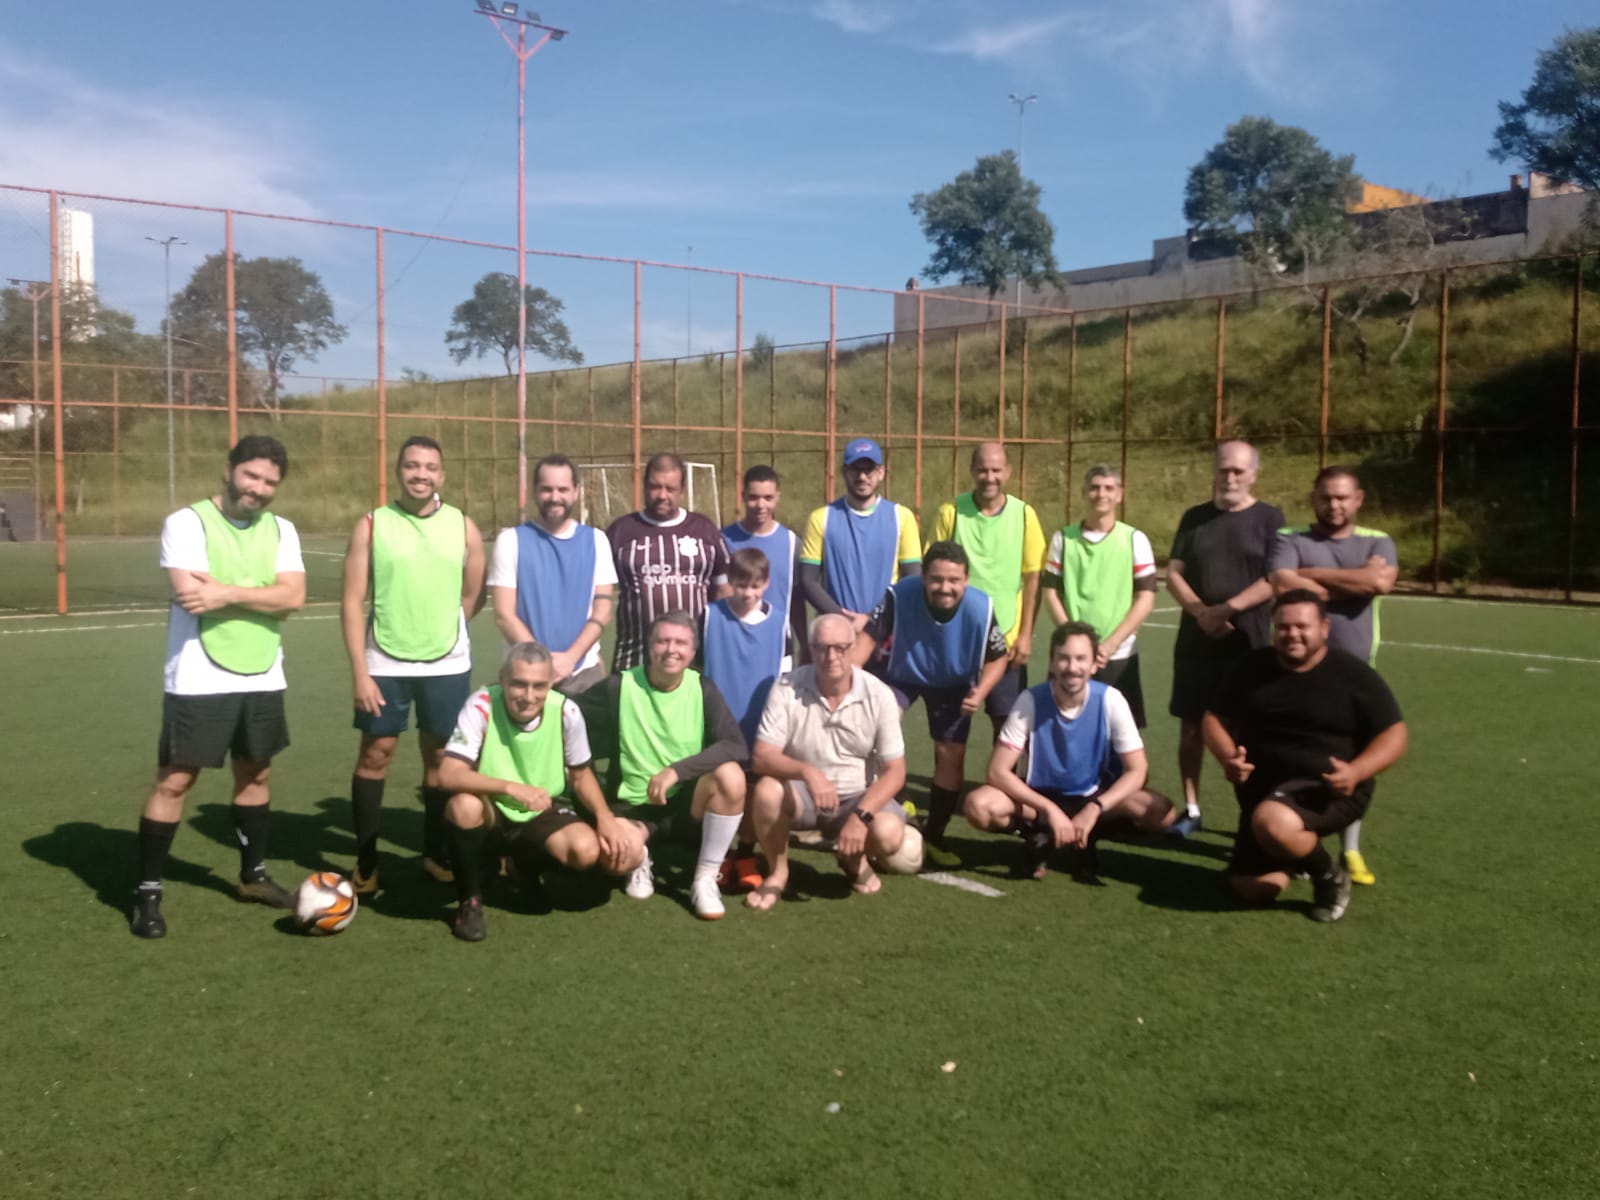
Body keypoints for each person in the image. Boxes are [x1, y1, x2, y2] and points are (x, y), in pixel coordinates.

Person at [131, 434, 307, 938]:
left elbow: (294, 597)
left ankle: (253, 876)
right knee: (175, 781)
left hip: (264, 670)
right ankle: (147, 893)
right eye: (251, 475)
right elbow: (192, 594)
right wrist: (265, 596)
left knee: (256, 774)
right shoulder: (186, 523)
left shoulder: (282, 530)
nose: (258, 488)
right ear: (228, 471)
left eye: (270, 482)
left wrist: (226, 592)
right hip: (198, 675)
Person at [1203, 590, 1407, 922]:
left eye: (1302, 626)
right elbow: (1213, 718)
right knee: (1253, 888)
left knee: (1273, 822)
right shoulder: (1250, 668)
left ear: (1324, 628)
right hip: (1263, 794)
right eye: (1284, 627)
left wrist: (1356, 771)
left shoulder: (1353, 675)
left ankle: (1330, 877)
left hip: (1327, 790)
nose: (1292, 634)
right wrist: (1228, 757)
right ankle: (1294, 853)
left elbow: (1395, 734)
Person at [341, 435, 486, 895]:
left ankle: (434, 853)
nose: (420, 474)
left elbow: (472, 594)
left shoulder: (464, 527)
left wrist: (442, 630)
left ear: (442, 475)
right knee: (376, 752)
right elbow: (351, 602)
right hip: (384, 661)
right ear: (398, 471)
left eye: (430, 467)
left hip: (446, 663)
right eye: (411, 465)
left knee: (441, 757)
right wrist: (361, 673)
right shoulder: (372, 525)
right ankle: (367, 862)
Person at [436, 642, 642, 942]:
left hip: (540, 810)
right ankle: (470, 900)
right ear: (503, 678)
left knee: (586, 851)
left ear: (551, 684)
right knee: (463, 806)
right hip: (492, 807)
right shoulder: (482, 704)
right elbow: (448, 774)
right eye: (519, 684)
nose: (528, 696)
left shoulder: (566, 711)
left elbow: (581, 775)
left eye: (539, 686)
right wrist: (509, 787)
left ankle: (522, 865)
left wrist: (605, 817)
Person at [1268, 465, 1398, 886]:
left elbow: (1381, 583)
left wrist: (1311, 574)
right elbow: (1284, 585)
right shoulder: (1289, 537)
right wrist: (1356, 579)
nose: (1334, 504)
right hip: (1294, 671)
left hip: (1356, 671)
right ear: (1314, 498)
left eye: (1342, 497)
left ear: (1358, 500)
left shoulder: (1378, 540)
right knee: (1291, 755)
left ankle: (1351, 850)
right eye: (1325, 497)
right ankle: (1295, 844)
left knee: (1353, 762)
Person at [965, 622, 1175, 880]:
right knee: (979, 806)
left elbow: (1138, 770)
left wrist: (1094, 809)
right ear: (1052, 663)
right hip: (1040, 801)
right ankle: (1042, 835)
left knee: (1161, 813)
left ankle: (1087, 835)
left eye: (1081, 659)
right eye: (1064, 658)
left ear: (1094, 664)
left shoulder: (1111, 700)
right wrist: (1048, 809)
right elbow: (997, 771)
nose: (1072, 667)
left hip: (1092, 796)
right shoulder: (1031, 701)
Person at [573, 612, 748, 920]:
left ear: (692, 651)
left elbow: (735, 744)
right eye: (663, 641)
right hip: (633, 808)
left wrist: (676, 771)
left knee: (731, 776)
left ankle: (705, 878)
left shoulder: (702, 687)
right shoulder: (620, 686)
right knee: (614, 859)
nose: (671, 650)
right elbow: (567, 714)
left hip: (686, 806)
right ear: (649, 646)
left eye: (680, 643)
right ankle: (640, 856)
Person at [853, 541, 1010, 865]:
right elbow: (866, 638)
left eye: (954, 580)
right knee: (879, 726)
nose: (945, 587)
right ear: (923, 577)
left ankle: (935, 834)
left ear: (966, 580)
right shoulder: (898, 595)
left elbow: (998, 657)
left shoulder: (981, 607)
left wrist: (980, 692)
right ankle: (897, 799)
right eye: (937, 579)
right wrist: (849, 680)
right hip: (901, 674)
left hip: (954, 682)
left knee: (950, 754)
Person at [745, 613, 911, 910]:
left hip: (857, 796)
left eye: (840, 648)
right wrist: (808, 772)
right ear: (810, 649)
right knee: (767, 791)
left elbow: (895, 772)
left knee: (889, 835)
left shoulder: (878, 694)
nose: (831, 656)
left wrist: (860, 817)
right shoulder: (787, 687)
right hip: (803, 796)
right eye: (821, 648)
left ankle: (851, 857)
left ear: (853, 648)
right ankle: (778, 872)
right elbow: (762, 756)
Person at [1165, 440, 1284, 837]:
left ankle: (1252, 811)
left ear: (1253, 474)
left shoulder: (1270, 519)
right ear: (1214, 472)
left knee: (1245, 733)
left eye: (1238, 470)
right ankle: (1192, 809)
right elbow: (1174, 574)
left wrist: (1227, 609)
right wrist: (1202, 612)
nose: (1230, 477)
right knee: (1191, 728)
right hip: (1196, 642)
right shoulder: (1194, 517)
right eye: (1223, 469)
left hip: (1248, 644)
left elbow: (1274, 578)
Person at [928, 441, 1046, 738]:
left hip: (1006, 642)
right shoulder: (951, 512)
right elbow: (931, 574)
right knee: (950, 739)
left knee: (1009, 731)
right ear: (972, 471)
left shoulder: (1024, 515)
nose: (989, 477)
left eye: (996, 470)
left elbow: (1033, 577)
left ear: (1008, 472)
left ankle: (1006, 775)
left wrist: (1025, 635)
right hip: (957, 641)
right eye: (983, 470)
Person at [1042, 463, 1159, 728]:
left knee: (1121, 737)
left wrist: (1109, 645)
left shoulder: (1135, 539)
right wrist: (1074, 642)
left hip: (1117, 655)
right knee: (1060, 729)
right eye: (1094, 488)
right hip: (1071, 657)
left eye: (1108, 488)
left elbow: (1146, 598)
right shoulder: (1063, 538)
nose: (1101, 494)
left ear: (1119, 494)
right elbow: (1050, 593)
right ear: (1084, 493)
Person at [489, 453, 617, 693]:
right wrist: (542, 664)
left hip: (583, 674)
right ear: (534, 491)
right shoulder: (510, 541)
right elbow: (504, 614)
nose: (555, 497)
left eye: (563, 489)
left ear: (576, 492)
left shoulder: (597, 541)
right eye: (547, 489)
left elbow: (603, 610)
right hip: (527, 676)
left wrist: (571, 658)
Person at [702, 547, 792, 887]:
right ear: (730, 581)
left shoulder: (779, 621)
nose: (748, 593)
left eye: (755, 586)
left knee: (753, 789)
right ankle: (720, 856)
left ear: (766, 583)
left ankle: (745, 854)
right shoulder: (710, 616)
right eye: (741, 585)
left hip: (761, 723)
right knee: (724, 787)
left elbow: (787, 675)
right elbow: (696, 667)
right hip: (719, 722)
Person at [607, 452, 730, 672]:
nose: (662, 495)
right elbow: (595, 594)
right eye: (655, 487)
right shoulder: (620, 531)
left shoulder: (704, 530)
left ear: (682, 490)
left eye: (670, 489)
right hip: (634, 660)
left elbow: (723, 591)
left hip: (695, 661)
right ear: (644, 486)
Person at [799, 437, 921, 633]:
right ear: (844, 472)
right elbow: (808, 581)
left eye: (869, 470)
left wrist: (872, 620)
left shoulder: (902, 517)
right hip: (837, 631)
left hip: (886, 631)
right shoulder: (821, 518)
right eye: (856, 469)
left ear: (881, 473)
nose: (862, 477)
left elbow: (912, 579)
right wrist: (843, 618)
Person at [722, 463, 806, 660]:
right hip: (733, 643)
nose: (761, 505)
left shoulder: (791, 542)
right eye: (754, 497)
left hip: (777, 645)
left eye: (768, 498)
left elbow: (795, 599)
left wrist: (804, 643)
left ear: (777, 497)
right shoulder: (722, 540)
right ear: (743, 496)